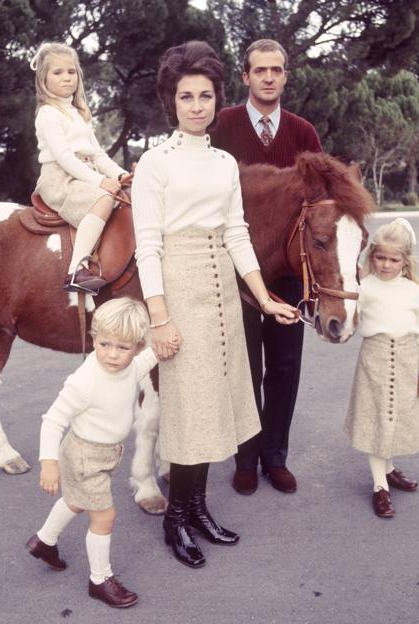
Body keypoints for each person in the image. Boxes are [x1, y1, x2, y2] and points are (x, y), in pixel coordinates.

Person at [131, 41, 299, 569]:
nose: (198, 105)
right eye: (187, 96)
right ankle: (174, 520)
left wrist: (264, 297)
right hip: (178, 290)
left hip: (224, 295)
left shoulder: (226, 162)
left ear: (216, 99)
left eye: (206, 95)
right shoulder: (154, 163)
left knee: (210, 407)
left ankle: (197, 506)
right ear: (171, 101)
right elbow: (148, 245)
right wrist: (160, 317)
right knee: (186, 408)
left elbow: (236, 233)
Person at [209, 39, 323, 496]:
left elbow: (320, 203)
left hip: (291, 274)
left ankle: (275, 456)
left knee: (285, 366)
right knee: (242, 366)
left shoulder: (303, 133)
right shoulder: (222, 126)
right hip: (234, 271)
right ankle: (246, 455)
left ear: (285, 76)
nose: (269, 77)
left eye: (277, 70)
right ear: (246, 76)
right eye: (260, 70)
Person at [26, 297, 157, 608]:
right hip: (85, 456)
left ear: (137, 346)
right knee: (104, 516)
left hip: (106, 453)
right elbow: (53, 419)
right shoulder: (84, 381)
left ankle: (44, 541)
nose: (112, 354)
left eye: (123, 348)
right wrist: (48, 464)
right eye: (104, 344)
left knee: (74, 501)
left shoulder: (130, 364)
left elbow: (141, 365)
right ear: (93, 339)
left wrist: (163, 347)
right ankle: (100, 579)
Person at [344, 218, 419, 518]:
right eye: (380, 257)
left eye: (394, 259)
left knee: (395, 418)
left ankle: (390, 468)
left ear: (405, 261)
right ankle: (379, 486)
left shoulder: (412, 291)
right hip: (375, 359)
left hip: (408, 360)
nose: (385, 265)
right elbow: (345, 320)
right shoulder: (363, 287)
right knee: (377, 419)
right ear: (372, 256)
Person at [30, 42, 132, 296]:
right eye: (58, 72)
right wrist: (100, 182)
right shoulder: (48, 114)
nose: (67, 77)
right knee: (105, 198)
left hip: (83, 174)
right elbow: (65, 158)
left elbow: (97, 154)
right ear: (43, 79)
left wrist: (120, 174)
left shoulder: (79, 113)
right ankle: (77, 268)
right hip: (59, 178)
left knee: (126, 197)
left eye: (71, 72)